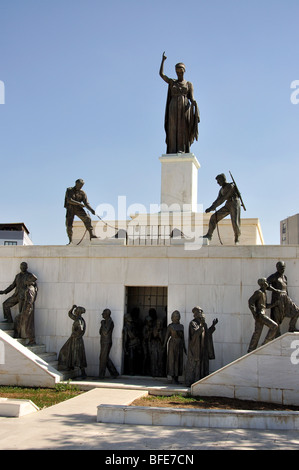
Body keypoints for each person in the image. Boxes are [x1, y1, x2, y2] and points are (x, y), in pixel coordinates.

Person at [159, 52, 199, 154]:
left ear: (184, 71)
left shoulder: (189, 84)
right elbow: (161, 75)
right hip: (173, 107)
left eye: (181, 72)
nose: (179, 74)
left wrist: (194, 102)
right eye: (177, 72)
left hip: (184, 107)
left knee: (183, 128)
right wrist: (163, 61)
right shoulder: (172, 82)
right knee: (172, 127)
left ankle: (182, 149)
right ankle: (172, 149)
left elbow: (192, 97)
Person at [203, 173, 241, 244]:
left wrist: (213, 207)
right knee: (214, 217)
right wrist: (211, 207)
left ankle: (237, 238)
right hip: (228, 204)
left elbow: (223, 199)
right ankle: (209, 235)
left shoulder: (230, 186)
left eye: (218, 180)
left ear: (223, 179)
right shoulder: (221, 190)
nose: (218, 183)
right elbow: (218, 199)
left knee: (235, 222)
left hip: (235, 203)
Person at [185, 307, 218, 387]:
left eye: (201, 312)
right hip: (195, 349)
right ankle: (193, 382)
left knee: (203, 365)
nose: (201, 313)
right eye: (199, 312)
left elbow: (207, 334)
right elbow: (195, 335)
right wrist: (201, 325)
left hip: (203, 349)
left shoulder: (204, 324)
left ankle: (202, 381)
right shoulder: (193, 323)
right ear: (195, 314)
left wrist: (213, 326)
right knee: (195, 365)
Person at [267, 261, 299, 336]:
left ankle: (291, 327)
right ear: (277, 268)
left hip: (286, 298)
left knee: (296, 311)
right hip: (277, 299)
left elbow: (285, 289)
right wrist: (275, 290)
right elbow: (265, 284)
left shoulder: (285, 277)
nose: (282, 269)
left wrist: (288, 297)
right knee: (276, 318)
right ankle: (277, 335)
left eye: (283, 268)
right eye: (281, 268)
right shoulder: (274, 276)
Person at [247, 278, 279, 353]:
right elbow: (250, 301)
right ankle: (264, 345)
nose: (268, 283)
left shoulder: (264, 293)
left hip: (261, 314)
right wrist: (254, 313)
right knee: (274, 326)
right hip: (260, 315)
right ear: (263, 284)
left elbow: (265, 306)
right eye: (266, 282)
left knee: (257, 333)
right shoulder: (259, 292)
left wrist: (274, 304)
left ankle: (251, 350)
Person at [58, 305, 87, 378]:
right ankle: (70, 366)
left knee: (78, 355)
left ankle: (83, 372)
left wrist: (75, 334)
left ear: (78, 312)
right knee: (68, 351)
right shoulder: (77, 318)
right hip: (73, 339)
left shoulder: (79, 320)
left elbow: (81, 329)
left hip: (76, 340)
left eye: (75, 311)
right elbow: (70, 315)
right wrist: (72, 308)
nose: (74, 312)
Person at [64, 178, 97, 244]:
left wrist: (91, 210)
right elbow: (69, 200)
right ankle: (70, 241)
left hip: (78, 209)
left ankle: (91, 235)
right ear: (76, 183)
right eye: (80, 185)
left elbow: (86, 203)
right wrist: (79, 203)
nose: (81, 186)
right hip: (70, 209)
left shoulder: (82, 192)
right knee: (69, 225)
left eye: (82, 185)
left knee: (88, 218)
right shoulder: (69, 190)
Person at [14, 273, 38, 345]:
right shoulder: (34, 288)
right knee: (25, 323)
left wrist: (26, 310)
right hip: (29, 308)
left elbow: (29, 301)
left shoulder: (29, 289)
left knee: (23, 322)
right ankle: (19, 335)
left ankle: (30, 340)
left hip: (27, 309)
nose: (26, 282)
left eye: (27, 281)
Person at [163, 310, 186, 384]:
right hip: (172, 344)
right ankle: (173, 377)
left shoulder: (181, 326)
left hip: (180, 344)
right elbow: (166, 337)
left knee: (179, 360)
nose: (177, 317)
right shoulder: (170, 326)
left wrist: (185, 348)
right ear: (172, 317)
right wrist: (164, 346)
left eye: (178, 316)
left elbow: (183, 338)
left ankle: (177, 378)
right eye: (175, 316)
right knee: (172, 360)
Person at [99, 309, 119, 379]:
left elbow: (106, 331)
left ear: (107, 314)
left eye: (103, 313)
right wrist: (102, 324)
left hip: (106, 342)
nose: (102, 314)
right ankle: (114, 372)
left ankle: (101, 375)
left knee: (102, 358)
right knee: (105, 358)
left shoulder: (110, 321)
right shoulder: (105, 321)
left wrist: (102, 324)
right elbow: (100, 332)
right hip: (104, 341)